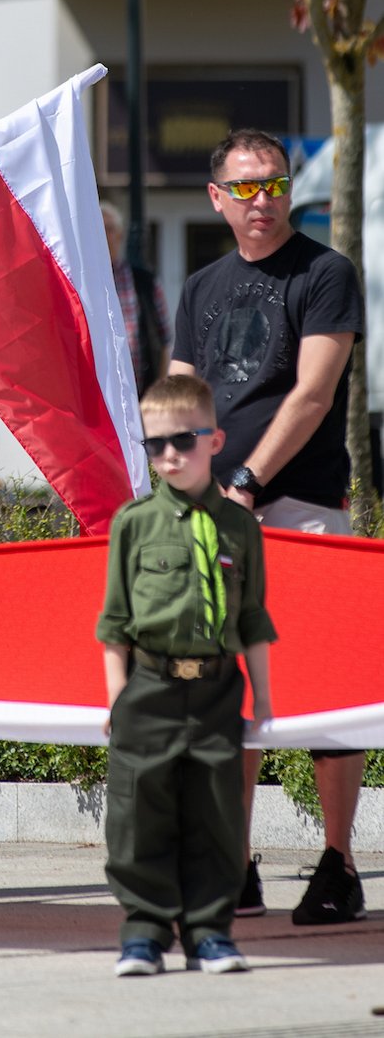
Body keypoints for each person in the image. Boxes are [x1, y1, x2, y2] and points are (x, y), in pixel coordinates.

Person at [169, 127, 367, 925]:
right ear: (217, 198)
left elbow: (314, 393)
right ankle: (234, 862)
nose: (263, 200)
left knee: (326, 688)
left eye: (275, 184)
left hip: (302, 506)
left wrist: (248, 480)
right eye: (245, 188)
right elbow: (182, 397)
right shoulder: (200, 286)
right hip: (216, 516)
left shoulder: (325, 272)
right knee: (225, 689)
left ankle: (339, 862)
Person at [97, 373, 276, 977]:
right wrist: (117, 702)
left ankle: (210, 932)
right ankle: (144, 932)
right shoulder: (134, 523)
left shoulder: (240, 527)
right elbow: (115, 624)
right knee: (139, 811)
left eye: (184, 440)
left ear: (216, 440)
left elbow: (253, 619)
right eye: (156, 445)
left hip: (218, 689)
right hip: (150, 686)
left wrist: (266, 701)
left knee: (217, 813)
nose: (170, 454)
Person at [101, 200, 171, 395]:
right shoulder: (83, 284)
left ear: (120, 235)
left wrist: (160, 390)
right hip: (101, 394)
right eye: (98, 229)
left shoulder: (144, 281)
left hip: (143, 393)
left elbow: (164, 339)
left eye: (109, 229)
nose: (104, 236)